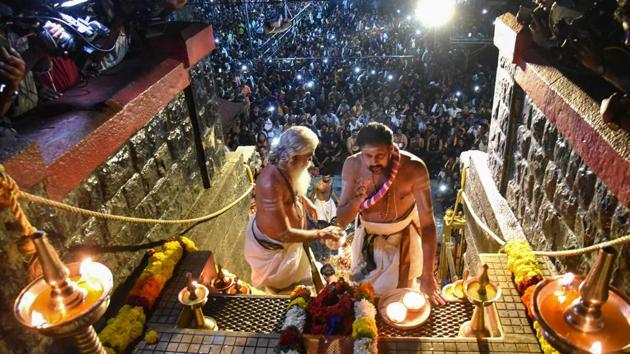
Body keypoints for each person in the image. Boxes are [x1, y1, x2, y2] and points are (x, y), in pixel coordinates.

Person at [336, 123, 446, 305]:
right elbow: (341, 220)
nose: (373, 162)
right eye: (367, 156)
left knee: (400, 304)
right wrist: (358, 199)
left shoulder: (414, 168)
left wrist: (427, 275)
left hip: (402, 244)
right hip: (366, 244)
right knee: (363, 298)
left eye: (379, 156)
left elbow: (427, 225)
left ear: (391, 149)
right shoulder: (352, 165)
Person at [244, 126, 342, 293]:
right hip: (276, 253)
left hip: (291, 246)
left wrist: (304, 200)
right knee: (290, 295)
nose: (311, 159)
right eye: (308, 155)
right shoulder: (270, 183)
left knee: (302, 280)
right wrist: (321, 233)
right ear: (293, 156)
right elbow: (284, 233)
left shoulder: (285, 166)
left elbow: (290, 189)